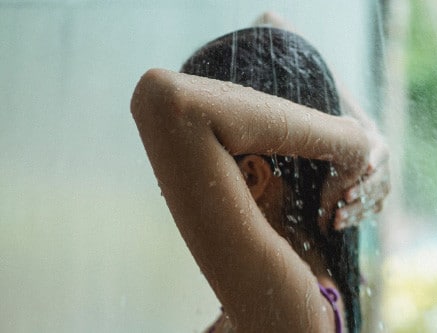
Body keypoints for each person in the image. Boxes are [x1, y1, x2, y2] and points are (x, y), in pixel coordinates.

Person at [131, 19, 389, 333]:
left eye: (207, 155)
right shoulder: (308, 300)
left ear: (252, 176)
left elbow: (165, 100)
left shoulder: (294, 309)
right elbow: (271, 21)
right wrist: (365, 135)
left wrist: (355, 143)